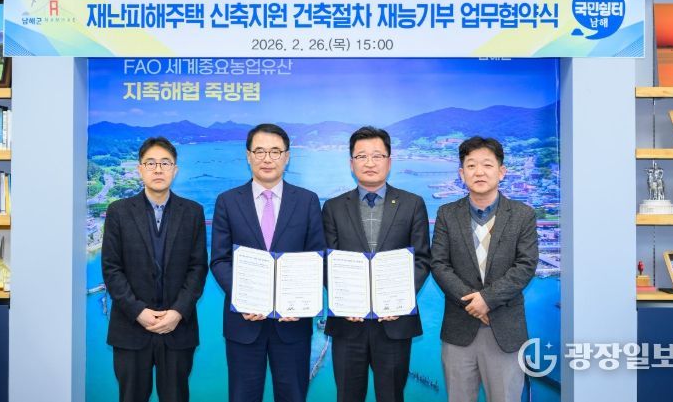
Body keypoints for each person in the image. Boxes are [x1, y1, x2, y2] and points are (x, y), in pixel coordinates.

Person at [211, 123, 326, 402]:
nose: (267, 158)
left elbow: (317, 257)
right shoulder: (227, 201)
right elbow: (220, 260)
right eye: (259, 151)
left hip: (293, 323)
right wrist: (244, 298)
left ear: (287, 156)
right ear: (248, 155)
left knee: (293, 396)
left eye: (275, 151)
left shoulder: (307, 201)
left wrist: (300, 301)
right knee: (243, 397)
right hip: (243, 323)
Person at [322, 126, 431, 402]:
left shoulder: (412, 204)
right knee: (347, 396)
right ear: (351, 163)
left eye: (377, 156)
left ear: (389, 161)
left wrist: (398, 300)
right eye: (361, 156)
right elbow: (326, 262)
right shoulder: (333, 207)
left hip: (394, 324)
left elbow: (422, 259)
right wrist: (345, 301)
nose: (369, 163)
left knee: (392, 396)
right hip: (348, 324)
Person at [431, 136, 538, 402]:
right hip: (459, 330)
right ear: (461, 174)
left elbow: (525, 265)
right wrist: (473, 303)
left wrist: (487, 300)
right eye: (471, 165)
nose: (479, 172)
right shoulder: (447, 214)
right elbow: (439, 264)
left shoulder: (523, 214)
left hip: (505, 330)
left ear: (501, 171)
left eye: (487, 165)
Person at [101, 136, 208, 402]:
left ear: (175, 169)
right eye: (151, 163)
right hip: (130, 329)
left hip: (177, 330)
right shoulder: (118, 212)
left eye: (165, 163)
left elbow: (198, 268)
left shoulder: (193, 212)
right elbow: (112, 269)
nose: (158, 169)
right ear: (140, 169)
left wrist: (177, 312)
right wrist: (138, 311)